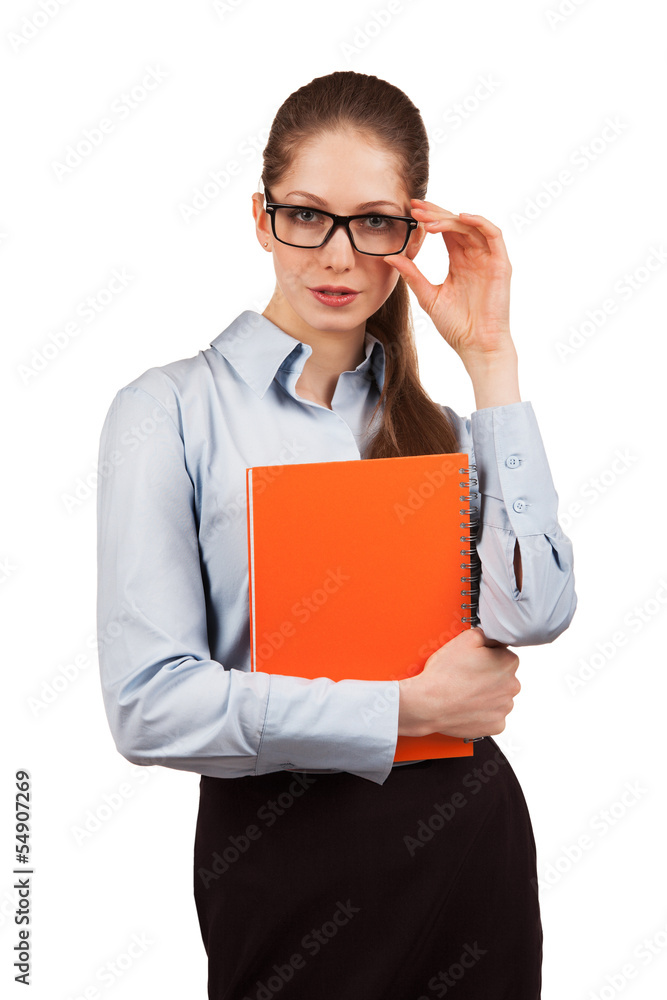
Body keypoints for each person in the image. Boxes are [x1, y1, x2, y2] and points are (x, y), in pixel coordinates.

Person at [96, 70, 577, 999]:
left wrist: (490, 362)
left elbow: (539, 612)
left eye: (375, 223)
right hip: (281, 864)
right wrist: (408, 710)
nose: (340, 255)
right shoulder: (167, 411)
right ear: (260, 214)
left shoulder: (442, 425)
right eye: (307, 216)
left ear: (410, 233)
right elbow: (149, 705)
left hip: (465, 859)